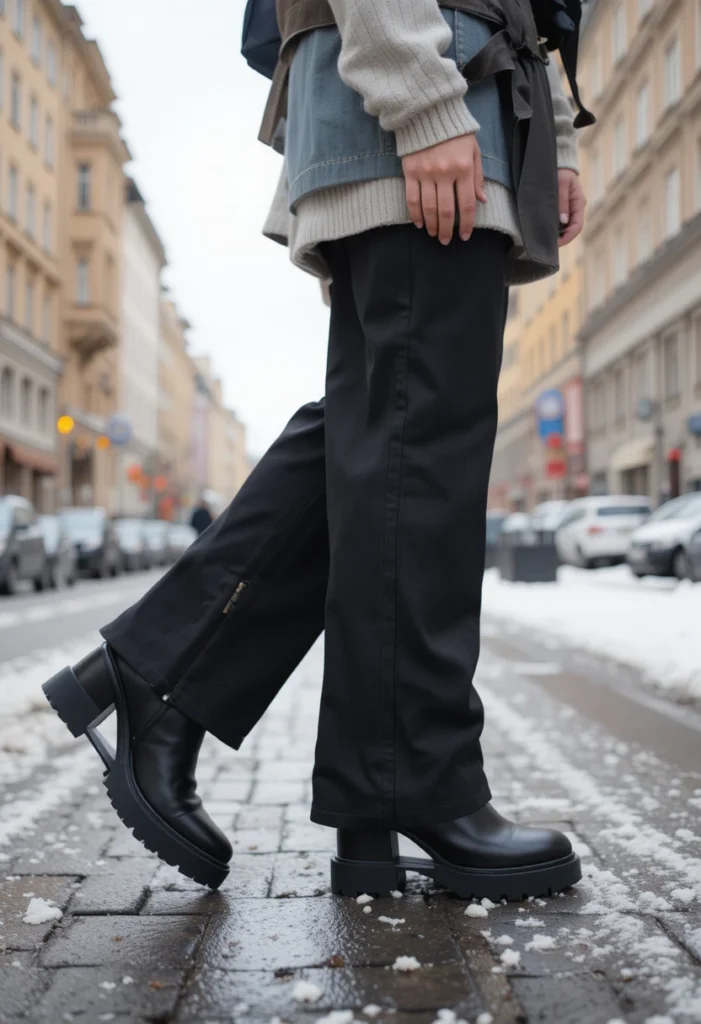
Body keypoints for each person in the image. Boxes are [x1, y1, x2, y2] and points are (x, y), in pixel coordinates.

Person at [42, 0, 588, 897]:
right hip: (423, 92)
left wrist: (554, 143)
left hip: (467, 96)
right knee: (421, 449)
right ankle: (404, 773)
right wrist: (424, 104)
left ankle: (167, 680)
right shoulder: (424, 103)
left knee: (385, 436)